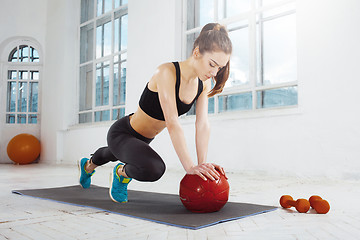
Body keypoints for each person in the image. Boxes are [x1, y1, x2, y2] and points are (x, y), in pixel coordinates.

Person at [78, 23, 233, 203]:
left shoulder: (203, 84)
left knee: (110, 154)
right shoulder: (166, 72)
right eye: (212, 64)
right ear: (197, 52)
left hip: (143, 141)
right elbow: (173, 123)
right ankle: (117, 173)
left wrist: (202, 164)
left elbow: (203, 124)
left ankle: (87, 165)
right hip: (123, 133)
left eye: (220, 68)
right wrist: (189, 167)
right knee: (154, 168)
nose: (214, 72)